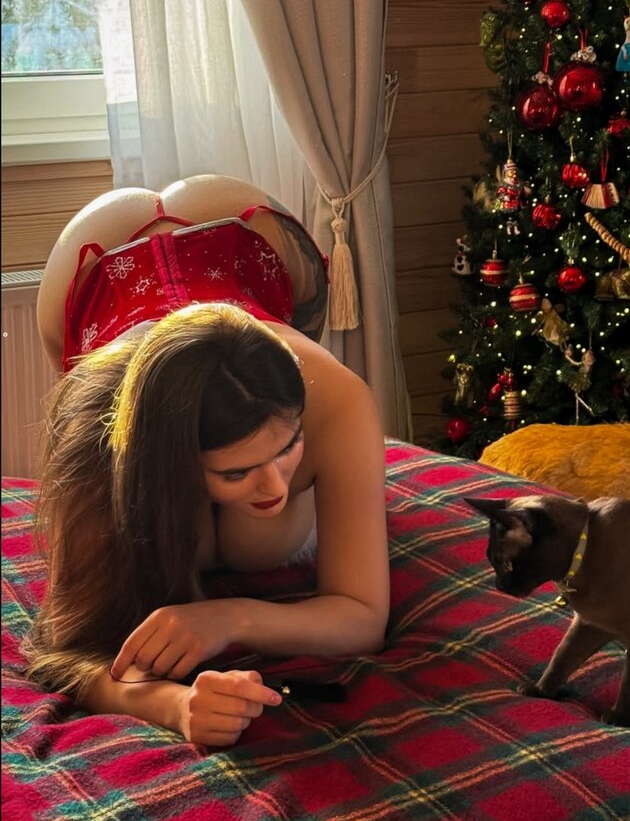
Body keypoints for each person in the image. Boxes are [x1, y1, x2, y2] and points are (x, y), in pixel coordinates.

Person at [27, 175, 390, 747]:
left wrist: (229, 618)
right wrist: (175, 706)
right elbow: (68, 647)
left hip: (250, 236)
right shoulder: (96, 438)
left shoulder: (337, 398)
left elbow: (364, 616)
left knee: (261, 529)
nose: (276, 487)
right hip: (94, 265)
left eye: (289, 446)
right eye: (236, 471)